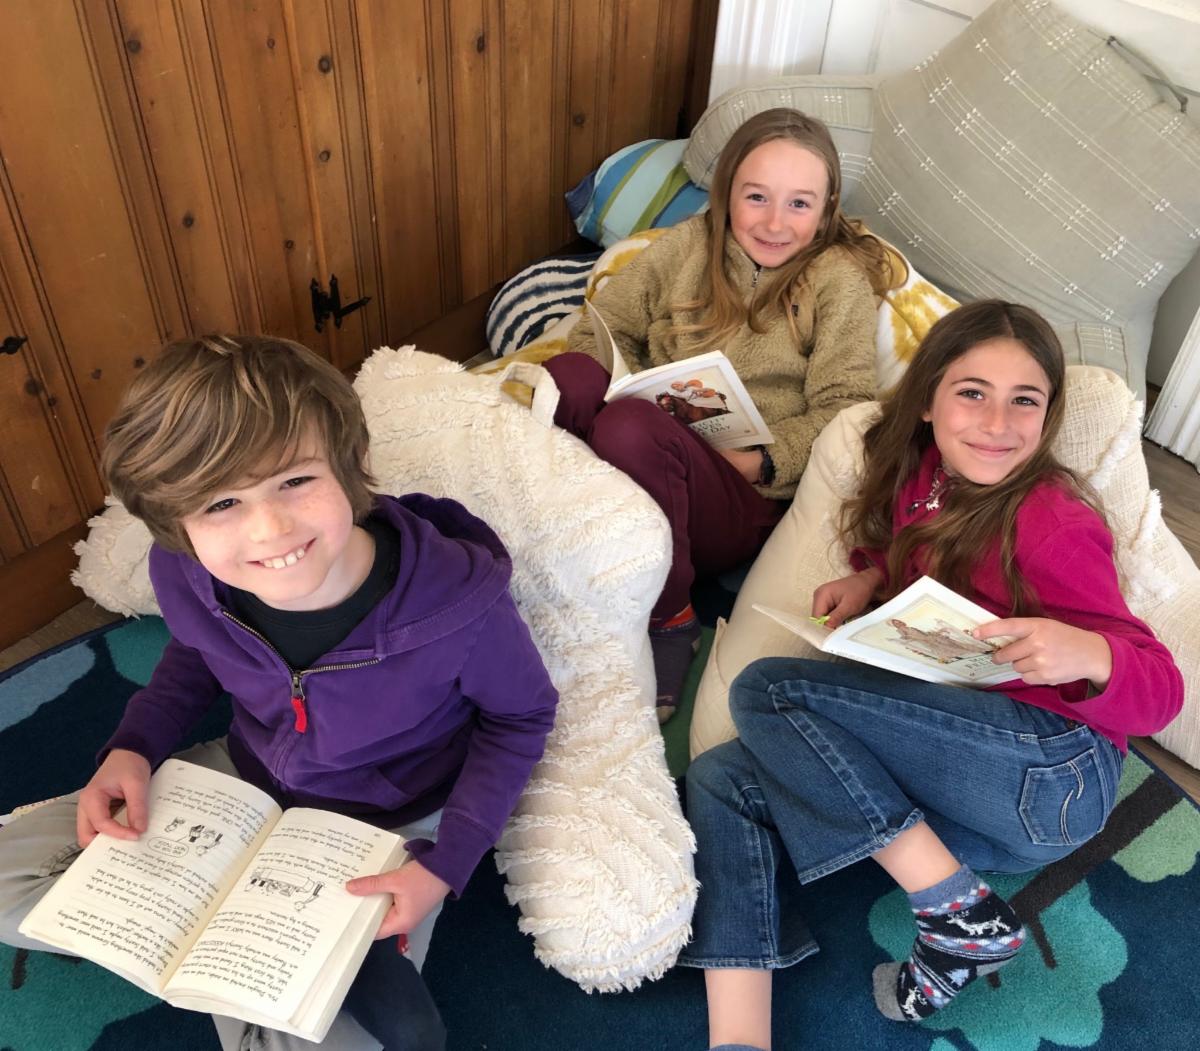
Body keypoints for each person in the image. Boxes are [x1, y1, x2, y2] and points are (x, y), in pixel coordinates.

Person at [0, 335, 559, 1051]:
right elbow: (196, 652)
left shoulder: (459, 604)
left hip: (387, 821)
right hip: (240, 781)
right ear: (178, 525)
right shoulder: (187, 570)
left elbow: (520, 717)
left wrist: (446, 864)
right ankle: (217, 945)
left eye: (294, 481)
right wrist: (133, 748)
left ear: (351, 465)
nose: (269, 529)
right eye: (222, 502)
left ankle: (250, 954)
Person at [678, 301, 1183, 1050]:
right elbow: (916, 559)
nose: (997, 423)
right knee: (722, 778)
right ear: (928, 401)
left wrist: (1090, 652)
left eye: (1025, 401)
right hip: (987, 819)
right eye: (972, 393)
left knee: (767, 690)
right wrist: (868, 581)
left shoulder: (1051, 521)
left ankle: (957, 917)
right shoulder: (922, 476)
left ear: (1048, 416)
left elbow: (1163, 690)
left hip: (1056, 771)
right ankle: (740, 1038)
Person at [546, 108, 900, 721]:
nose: (773, 222)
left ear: (825, 209)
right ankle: (562, 539)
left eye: (798, 204)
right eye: (756, 197)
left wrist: (761, 461)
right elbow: (604, 327)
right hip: (649, 443)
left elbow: (848, 409)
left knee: (627, 429)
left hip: (740, 493)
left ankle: (672, 617)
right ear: (727, 192)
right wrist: (626, 380)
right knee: (567, 377)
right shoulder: (689, 243)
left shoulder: (837, 279)